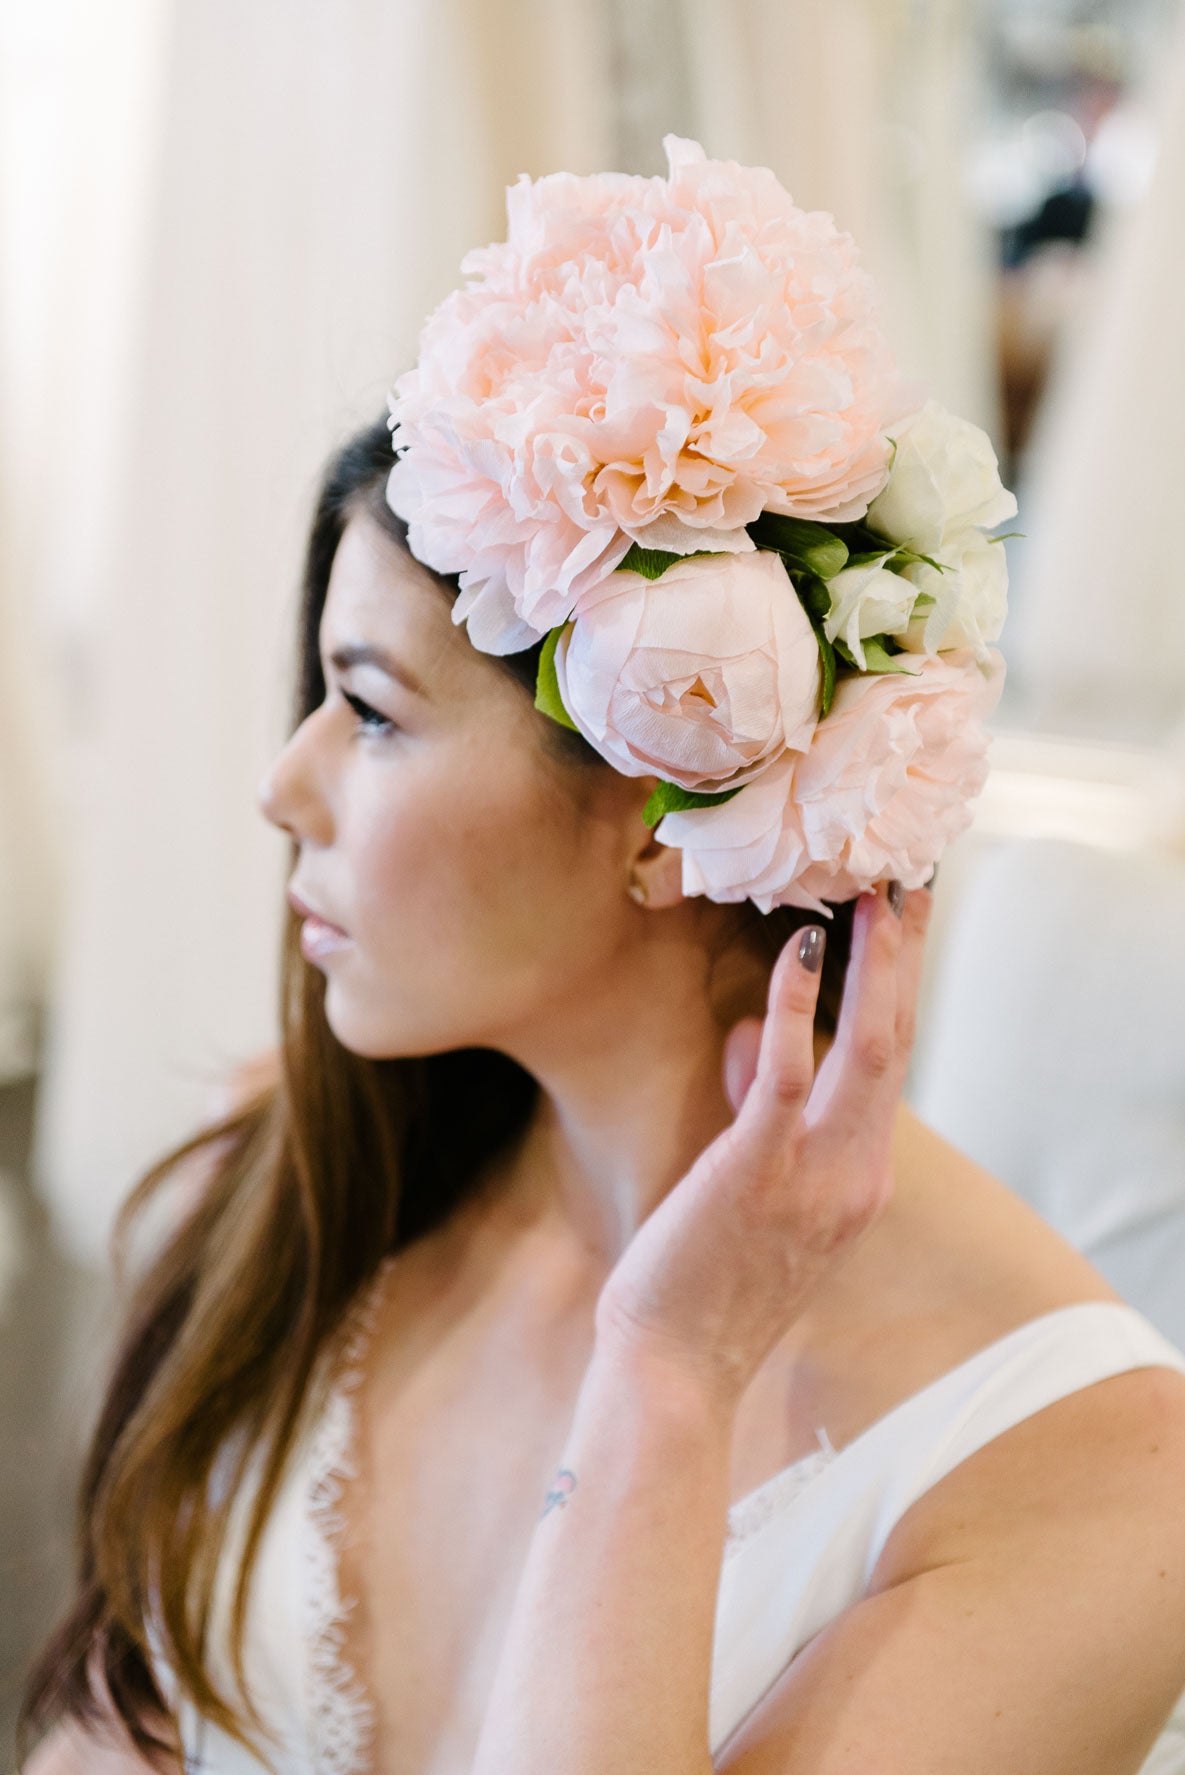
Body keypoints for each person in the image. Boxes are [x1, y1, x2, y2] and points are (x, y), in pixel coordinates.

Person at [18, 140, 1185, 1775]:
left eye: (370, 712)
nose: (284, 785)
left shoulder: (1100, 1471)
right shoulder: (300, 1184)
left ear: (666, 802)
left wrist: (667, 1381)